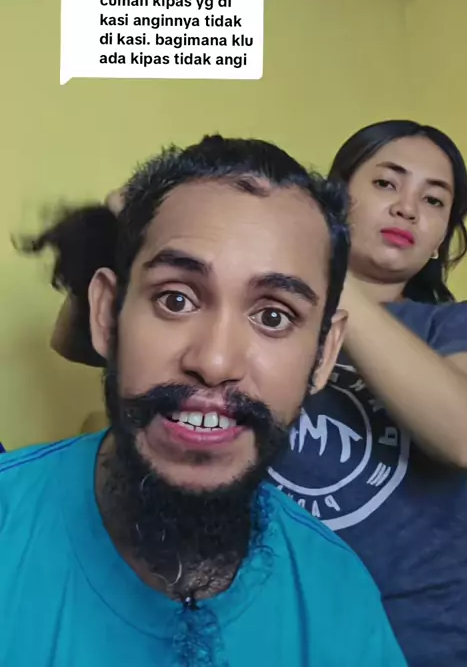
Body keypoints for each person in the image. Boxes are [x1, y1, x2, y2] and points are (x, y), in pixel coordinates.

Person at [3, 135, 407, 667]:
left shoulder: (342, 602)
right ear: (106, 316)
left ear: (324, 354)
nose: (214, 362)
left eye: (273, 316)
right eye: (176, 299)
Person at [268, 120, 467, 667]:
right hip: (269, 632)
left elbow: (466, 435)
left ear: (442, 237)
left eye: (434, 200)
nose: (408, 209)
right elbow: (79, 340)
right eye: (387, 183)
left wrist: (315, 258)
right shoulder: (266, 308)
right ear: (338, 197)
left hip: (419, 645)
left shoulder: (456, 326)